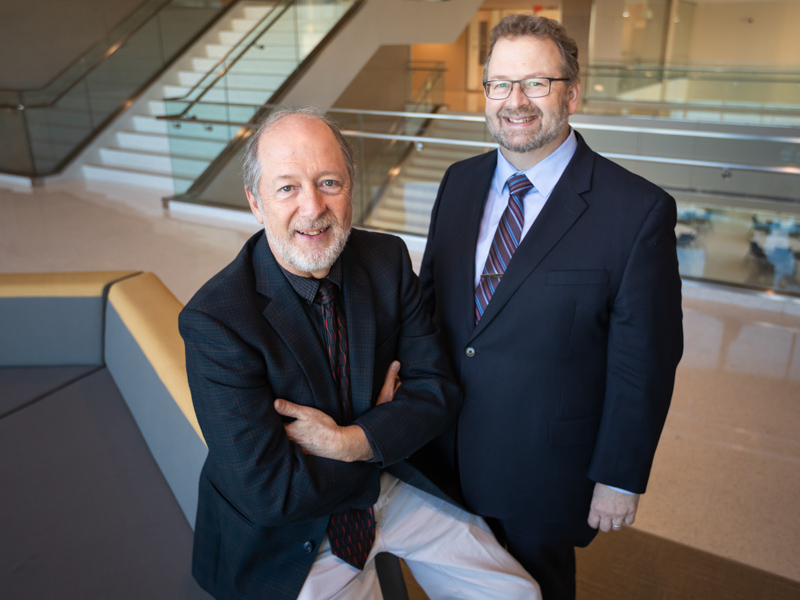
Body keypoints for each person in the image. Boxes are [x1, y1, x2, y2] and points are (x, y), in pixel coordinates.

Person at [179, 108, 540, 600]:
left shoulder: (386, 260)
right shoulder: (216, 320)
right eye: (287, 188)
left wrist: (351, 441)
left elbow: (437, 391)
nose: (312, 208)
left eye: (329, 182)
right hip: (290, 534)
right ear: (255, 203)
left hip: (392, 488)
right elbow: (271, 492)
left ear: (352, 187)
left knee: (516, 594)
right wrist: (384, 427)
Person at [416, 15, 684, 600]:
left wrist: (619, 475)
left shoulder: (636, 211)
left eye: (537, 83)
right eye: (499, 84)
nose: (515, 102)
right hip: (442, 454)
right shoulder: (458, 183)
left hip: (543, 473)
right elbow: (431, 311)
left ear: (573, 92)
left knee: (536, 589)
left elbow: (646, 361)